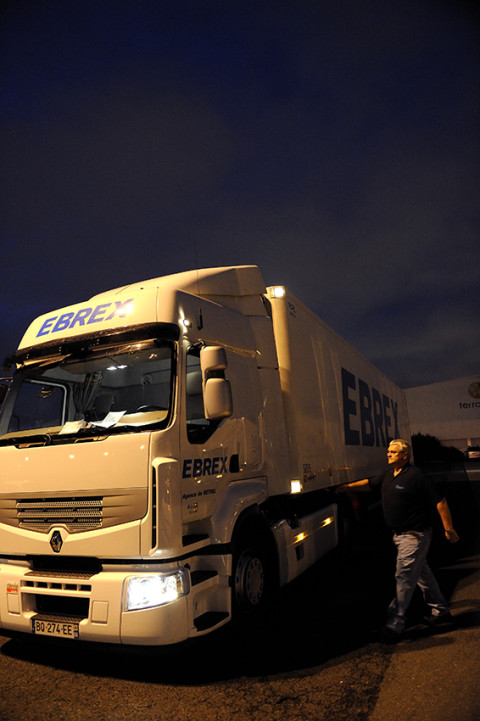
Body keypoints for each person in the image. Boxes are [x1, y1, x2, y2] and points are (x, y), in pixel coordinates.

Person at [337, 438, 459, 642]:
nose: (388, 455)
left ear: (404, 455)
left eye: (393, 452)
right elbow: (369, 484)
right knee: (422, 574)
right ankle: (441, 611)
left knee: (404, 577)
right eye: (388, 452)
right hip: (400, 536)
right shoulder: (388, 474)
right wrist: (347, 487)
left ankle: (395, 624)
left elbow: (441, 502)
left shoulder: (417, 476)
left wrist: (449, 529)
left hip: (415, 536)